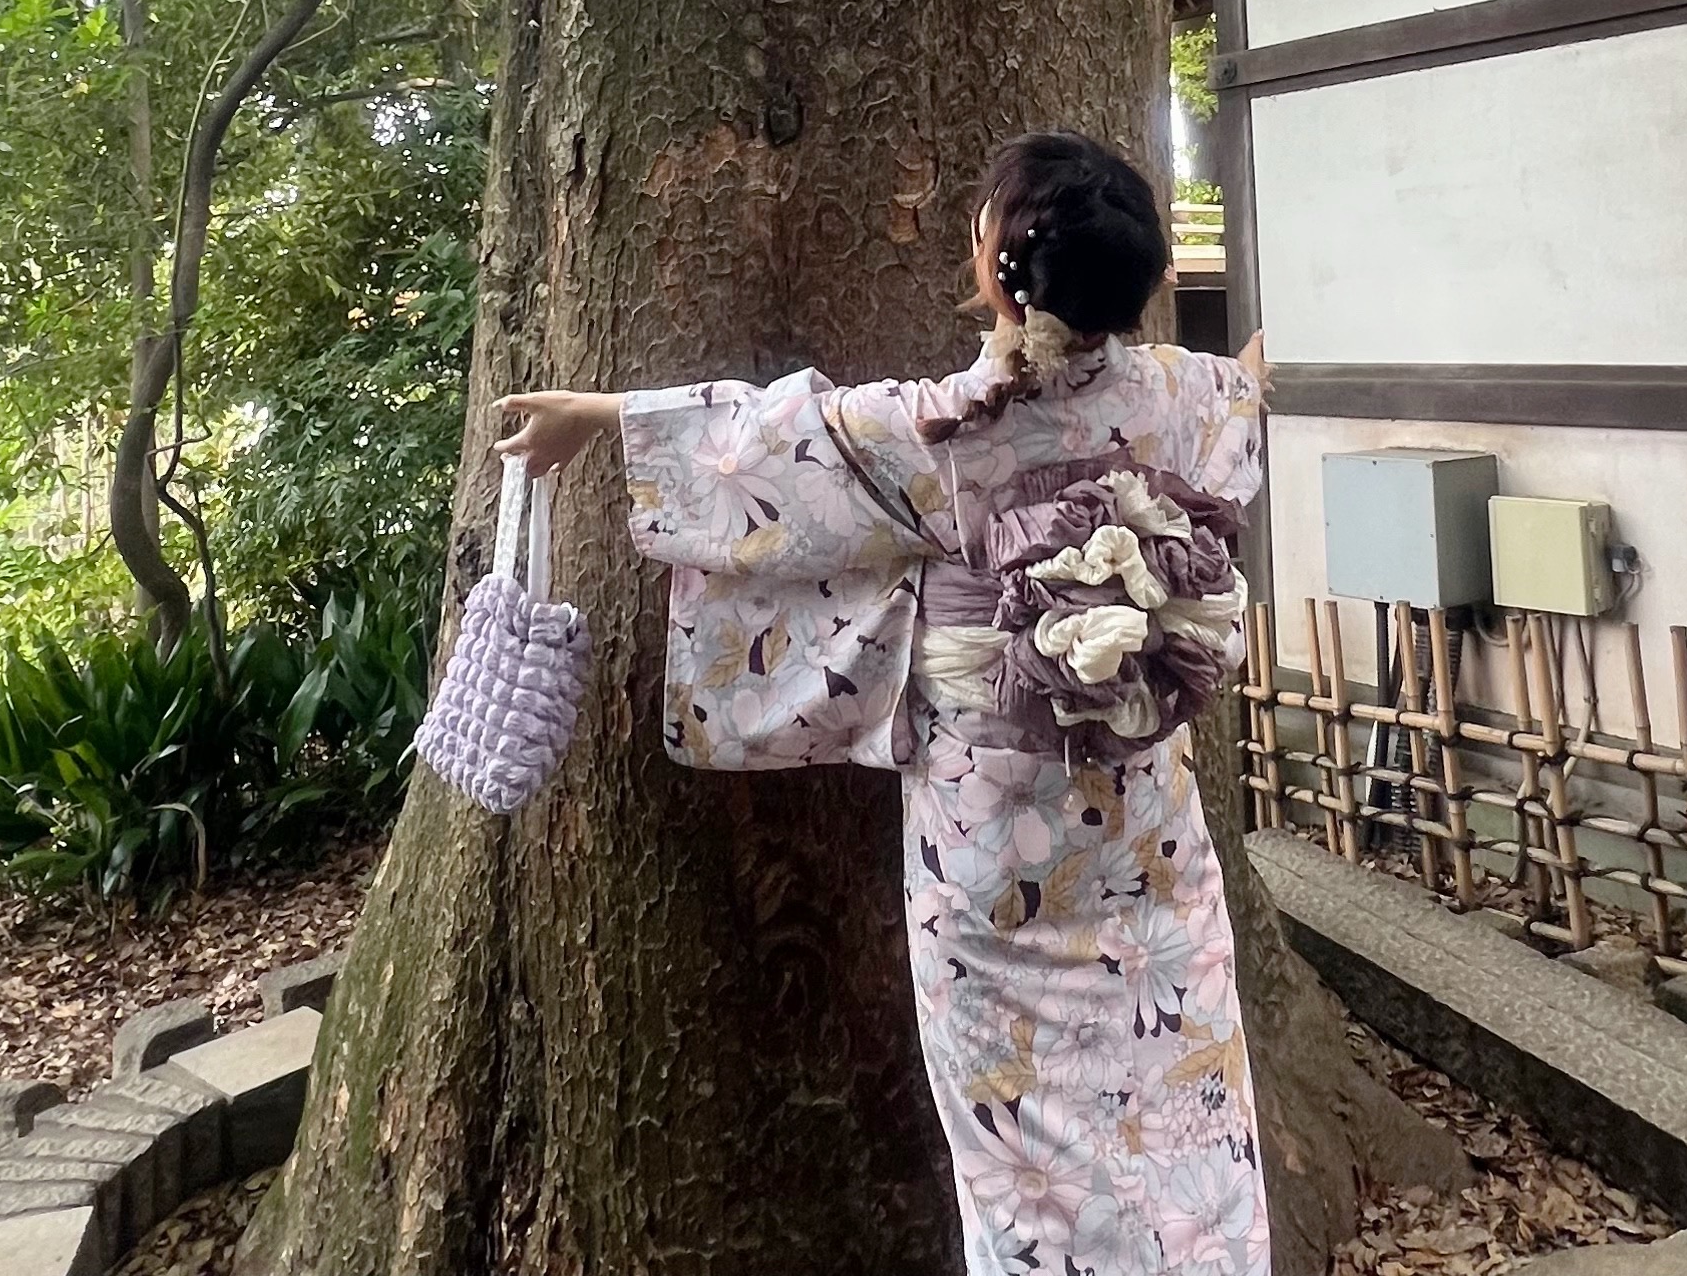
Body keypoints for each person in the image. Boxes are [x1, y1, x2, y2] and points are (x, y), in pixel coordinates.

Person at [498, 128, 1273, 1276]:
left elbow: (761, 443)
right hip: (1147, 827)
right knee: (1183, 1091)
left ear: (996, 268)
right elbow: (1244, 396)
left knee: (1024, 1156)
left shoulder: (942, 429)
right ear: (1149, 280)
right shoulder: (1189, 401)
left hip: (986, 841)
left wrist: (596, 415)